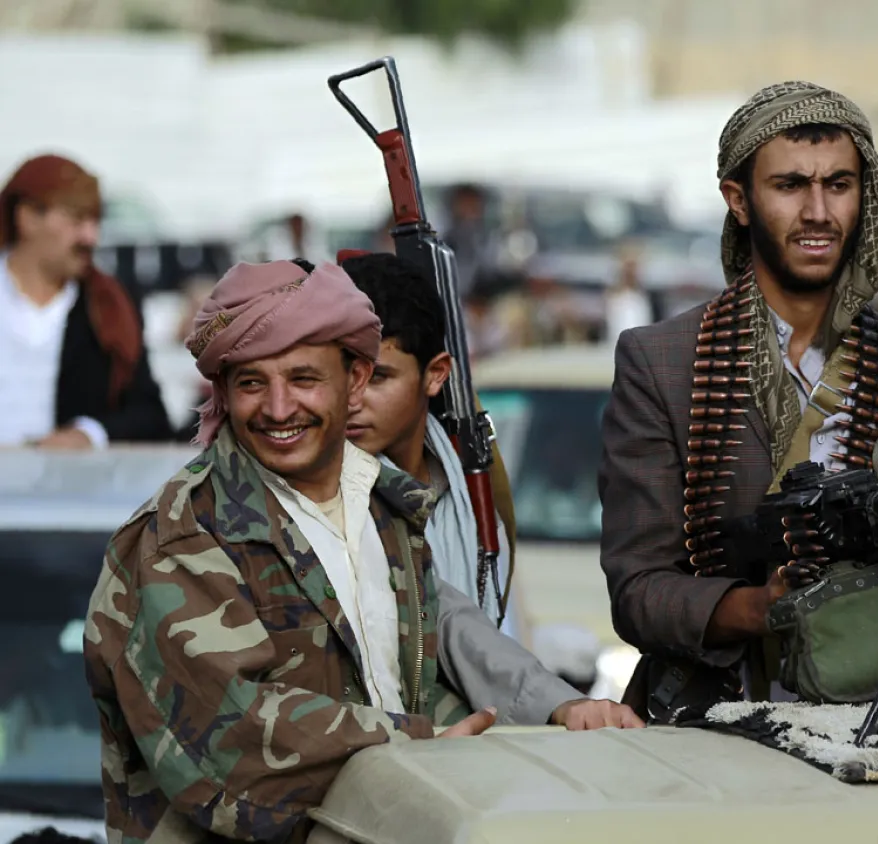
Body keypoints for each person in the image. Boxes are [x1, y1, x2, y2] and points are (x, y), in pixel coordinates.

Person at [83, 260, 640, 844]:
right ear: (223, 390)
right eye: (252, 384)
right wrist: (415, 745)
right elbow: (231, 740)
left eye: (303, 379)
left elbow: (415, 680)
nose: (277, 409)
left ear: (354, 379)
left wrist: (557, 715)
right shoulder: (185, 534)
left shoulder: (383, 511)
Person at [599, 80, 878, 720]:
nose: (818, 213)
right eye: (790, 185)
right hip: (725, 715)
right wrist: (760, 606)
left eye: (838, 184)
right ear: (738, 200)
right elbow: (639, 587)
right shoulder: (664, 362)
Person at [338, 251, 523, 637]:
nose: (351, 399)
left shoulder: (472, 507)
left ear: (435, 374)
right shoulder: (313, 500)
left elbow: (502, 649)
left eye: (377, 378)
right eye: (338, 375)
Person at [0, 153, 172, 448]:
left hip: (67, 489)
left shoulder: (108, 306)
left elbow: (151, 416)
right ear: (28, 218)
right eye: (76, 219)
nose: (90, 237)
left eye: (95, 221)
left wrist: (89, 433)